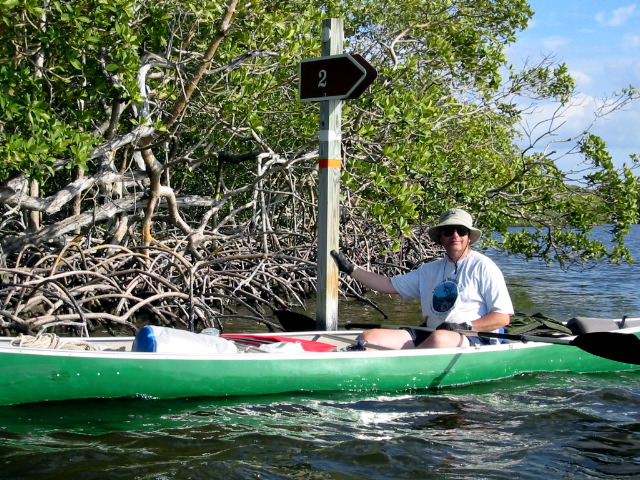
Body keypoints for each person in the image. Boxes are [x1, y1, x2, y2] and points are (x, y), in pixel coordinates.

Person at [331, 208, 513, 349]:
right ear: (441, 237)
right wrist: (350, 269)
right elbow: (387, 285)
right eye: (449, 231)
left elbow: (502, 318)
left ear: (469, 237)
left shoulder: (484, 266)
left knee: (440, 339)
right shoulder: (429, 270)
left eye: (461, 231)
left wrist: (465, 326)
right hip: (431, 332)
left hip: (474, 338)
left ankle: (400, 370)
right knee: (369, 337)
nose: (455, 235)